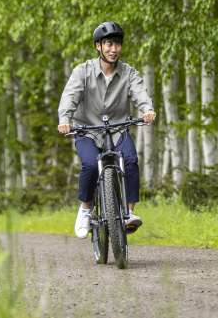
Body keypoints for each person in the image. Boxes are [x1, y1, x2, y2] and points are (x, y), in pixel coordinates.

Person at [57, 22, 156, 239]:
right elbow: (70, 97)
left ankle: (129, 213)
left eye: (118, 44)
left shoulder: (128, 73)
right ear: (98, 46)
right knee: (91, 164)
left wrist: (147, 108)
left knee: (130, 160)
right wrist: (65, 120)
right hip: (88, 131)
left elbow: (140, 92)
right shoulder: (82, 71)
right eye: (109, 44)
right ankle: (85, 209)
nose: (114, 49)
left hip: (117, 130)